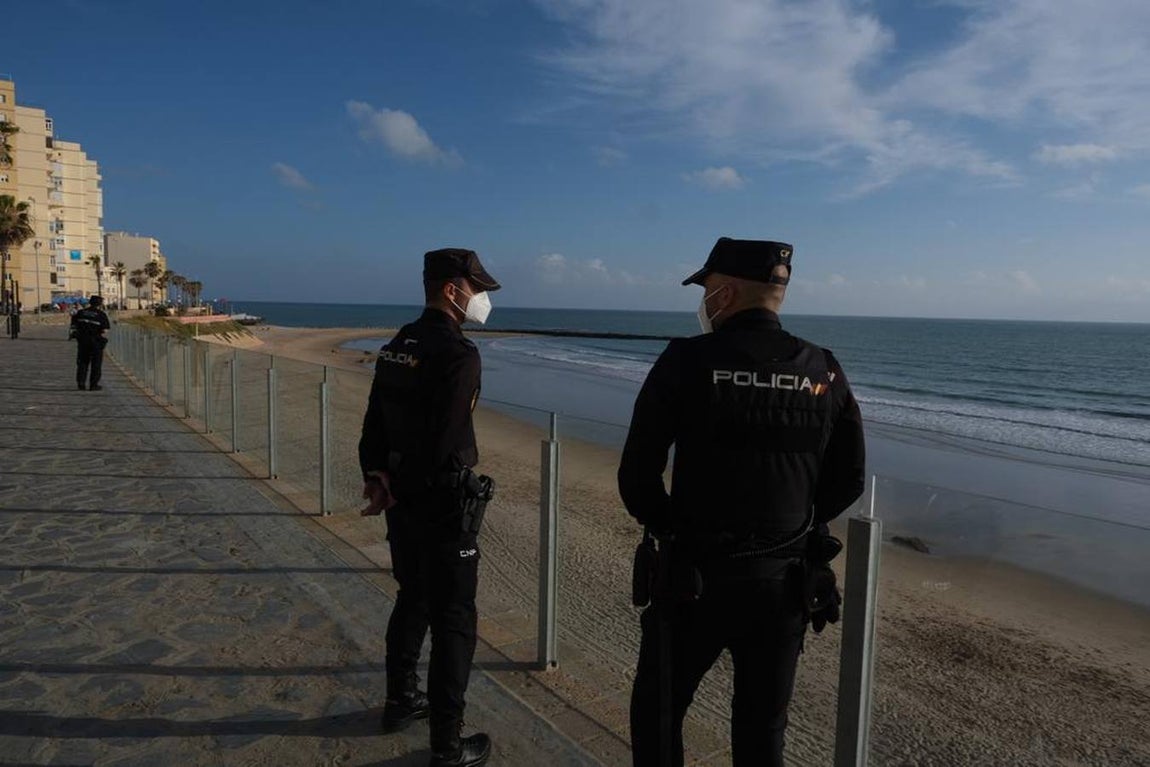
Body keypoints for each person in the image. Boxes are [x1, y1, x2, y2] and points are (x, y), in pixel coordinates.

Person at [618, 237, 866, 767]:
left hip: (693, 581)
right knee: (762, 729)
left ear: (725, 294)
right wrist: (796, 529)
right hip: (783, 587)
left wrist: (675, 530)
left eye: (706, 290)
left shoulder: (686, 360)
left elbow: (636, 477)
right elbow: (849, 480)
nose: (704, 302)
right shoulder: (824, 369)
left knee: (659, 713)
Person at [358, 248, 501, 767]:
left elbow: (374, 421)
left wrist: (378, 477)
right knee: (455, 619)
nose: (480, 299)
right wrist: (409, 486)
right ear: (451, 290)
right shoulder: (458, 354)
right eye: (476, 289)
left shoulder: (399, 343)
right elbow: (443, 440)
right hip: (440, 502)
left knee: (412, 597)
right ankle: (447, 743)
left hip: (400, 496)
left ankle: (400, 701)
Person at [71, 295, 110, 391]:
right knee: (96, 364)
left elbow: (74, 325)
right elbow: (105, 330)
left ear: (90, 302)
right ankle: (93, 385)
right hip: (96, 342)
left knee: (82, 363)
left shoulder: (81, 312)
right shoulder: (101, 314)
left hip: (83, 341)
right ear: (100, 304)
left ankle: (81, 384)